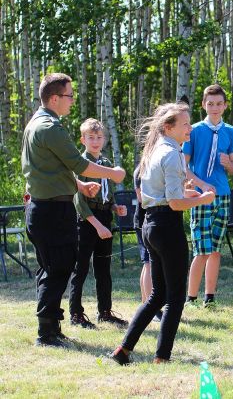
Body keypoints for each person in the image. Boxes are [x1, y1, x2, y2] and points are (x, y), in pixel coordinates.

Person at [22, 73, 125, 347]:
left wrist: (78, 186)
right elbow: (80, 163)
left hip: (45, 208)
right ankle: (46, 333)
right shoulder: (50, 128)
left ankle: (51, 328)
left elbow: (50, 168)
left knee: (53, 268)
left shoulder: (36, 123)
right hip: (52, 212)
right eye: (69, 95)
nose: (72, 101)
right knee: (58, 268)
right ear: (54, 98)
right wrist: (113, 174)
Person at [111, 102, 215, 365]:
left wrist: (189, 194)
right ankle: (162, 357)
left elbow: (166, 194)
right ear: (169, 127)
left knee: (158, 294)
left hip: (151, 225)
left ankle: (123, 349)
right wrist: (202, 200)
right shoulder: (172, 153)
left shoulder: (155, 150)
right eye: (185, 124)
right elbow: (175, 203)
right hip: (167, 226)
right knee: (176, 296)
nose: (189, 127)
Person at [69, 118, 129, 329]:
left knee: (103, 268)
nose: (95, 141)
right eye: (91, 137)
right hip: (87, 221)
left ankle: (105, 311)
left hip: (104, 218)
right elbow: (79, 201)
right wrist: (97, 226)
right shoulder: (80, 163)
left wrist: (115, 208)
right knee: (81, 267)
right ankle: (76, 313)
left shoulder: (105, 164)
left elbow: (107, 194)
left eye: (99, 137)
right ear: (83, 139)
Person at [184, 84, 233, 309]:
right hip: (200, 196)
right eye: (210, 103)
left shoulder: (230, 131)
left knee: (215, 249)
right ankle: (191, 298)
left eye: (219, 104)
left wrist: (229, 163)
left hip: (223, 195)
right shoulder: (194, 131)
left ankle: (210, 297)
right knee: (201, 249)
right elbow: (183, 167)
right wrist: (201, 185)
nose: (214, 108)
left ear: (225, 106)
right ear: (203, 105)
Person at [133, 163, 162, 322]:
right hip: (143, 221)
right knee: (149, 263)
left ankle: (147, 305)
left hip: (151, 221)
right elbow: (141, 197)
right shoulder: (142, 169)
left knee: (149, 263)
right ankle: (151, 307)